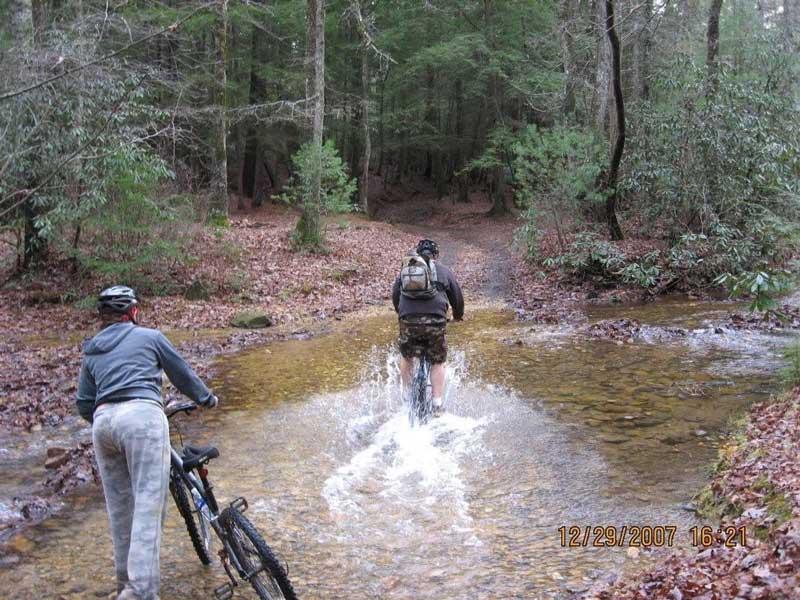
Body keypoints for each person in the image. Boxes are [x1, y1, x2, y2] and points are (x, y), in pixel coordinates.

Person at [76, 286, 218, 600]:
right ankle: (140, 592)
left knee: (120, 511)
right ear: (133, 312)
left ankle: (125, 586)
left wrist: (108, 419)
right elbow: (182, 374)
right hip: (142, 417)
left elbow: (84, 403)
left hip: (103, 425)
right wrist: (207, 399)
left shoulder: (92, 350)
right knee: (147, 508)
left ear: (103, 317)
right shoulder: (150, 337)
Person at [392, 239, 464, 414]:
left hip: (408, 320)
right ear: (435, 255)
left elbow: (395, 295)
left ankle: (406, 397)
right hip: (435, 321)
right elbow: (457, 297)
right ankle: (437, 403)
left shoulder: (405, 271)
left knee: (407, 356)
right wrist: (457, 316)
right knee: (438, 360)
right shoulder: (444, 271)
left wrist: (401, 315)